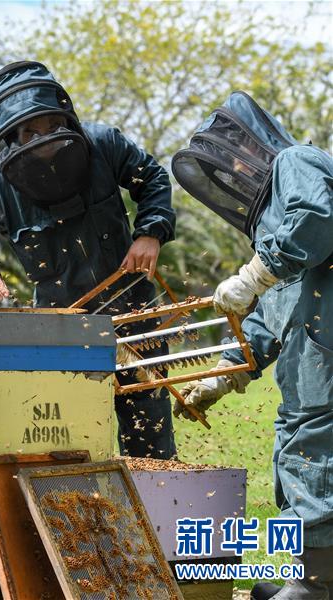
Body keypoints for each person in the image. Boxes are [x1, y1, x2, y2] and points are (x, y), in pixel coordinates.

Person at [172, 91, 332, 599]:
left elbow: (317, 220)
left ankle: (315, 582)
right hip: (306, 370)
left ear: (251, 141)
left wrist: (254, 274)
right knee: (297, 453)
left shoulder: (296, 162)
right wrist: (223, 375)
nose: (234, 170)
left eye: (236, 154)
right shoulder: (270, 216)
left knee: (315, 457)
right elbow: (270, 313)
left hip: (326, 365)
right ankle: (307, 574)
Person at [0, 60, 177, 459]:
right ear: (12, 136)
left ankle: (153, 512)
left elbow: (153, 178)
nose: (43, 137)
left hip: (133, 306)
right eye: (30, 131)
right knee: (67, 436)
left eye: (50, 125)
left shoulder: (103, 143)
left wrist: (150, 233)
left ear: (64, 116)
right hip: (58, 323)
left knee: (148, 424)